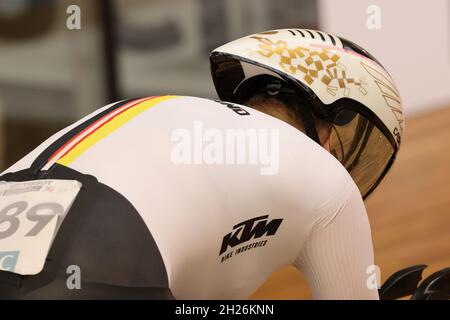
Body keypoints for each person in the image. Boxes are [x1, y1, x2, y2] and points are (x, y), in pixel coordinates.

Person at [0, 28, 404, 300]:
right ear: (328, 130)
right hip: (111, 255)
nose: (338, 158)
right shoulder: (328, 179)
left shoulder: (166, 109)